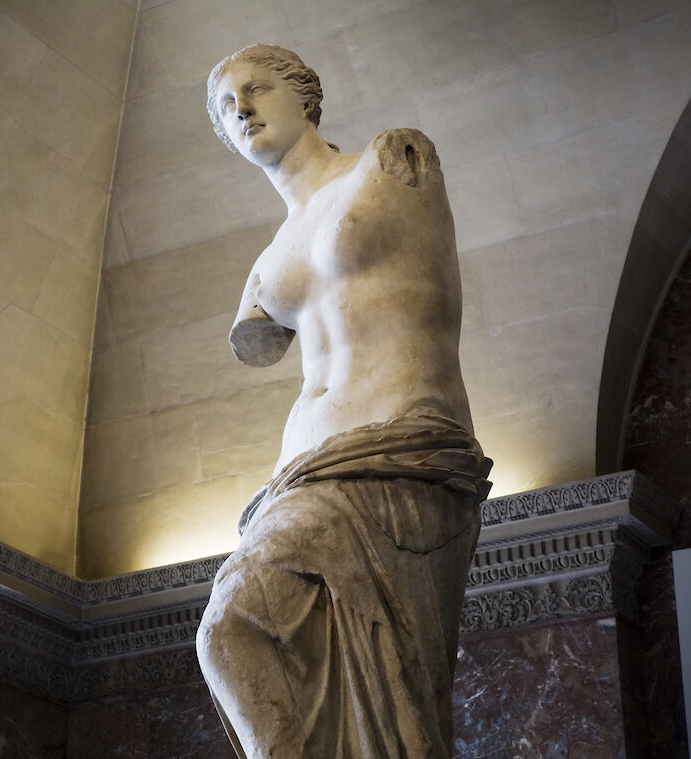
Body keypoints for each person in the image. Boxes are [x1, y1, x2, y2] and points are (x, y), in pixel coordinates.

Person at [195, 44, 493, 759]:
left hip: (403, 448)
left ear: (305, 96)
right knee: (230, 629)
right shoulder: (266, 263)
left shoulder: (388, 161)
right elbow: (259, 341)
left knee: (397, 687)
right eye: (227, 106)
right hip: (302, 472)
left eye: (257, 89)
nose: (242, 109)